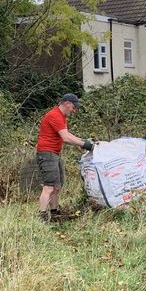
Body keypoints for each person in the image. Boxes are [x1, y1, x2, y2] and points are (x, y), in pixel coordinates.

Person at [36, 93, 94, 222]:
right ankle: (42, 216)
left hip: (54, 154)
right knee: (49, 187)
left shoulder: (61, 116)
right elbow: (66, 138)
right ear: (67, 103)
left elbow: (67, 134)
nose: (74, 111)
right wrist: (86, 145)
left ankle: (54, 213)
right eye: (74, 107)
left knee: (56, 186)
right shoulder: (54, 115)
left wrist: (84, 141)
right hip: (47, 153)